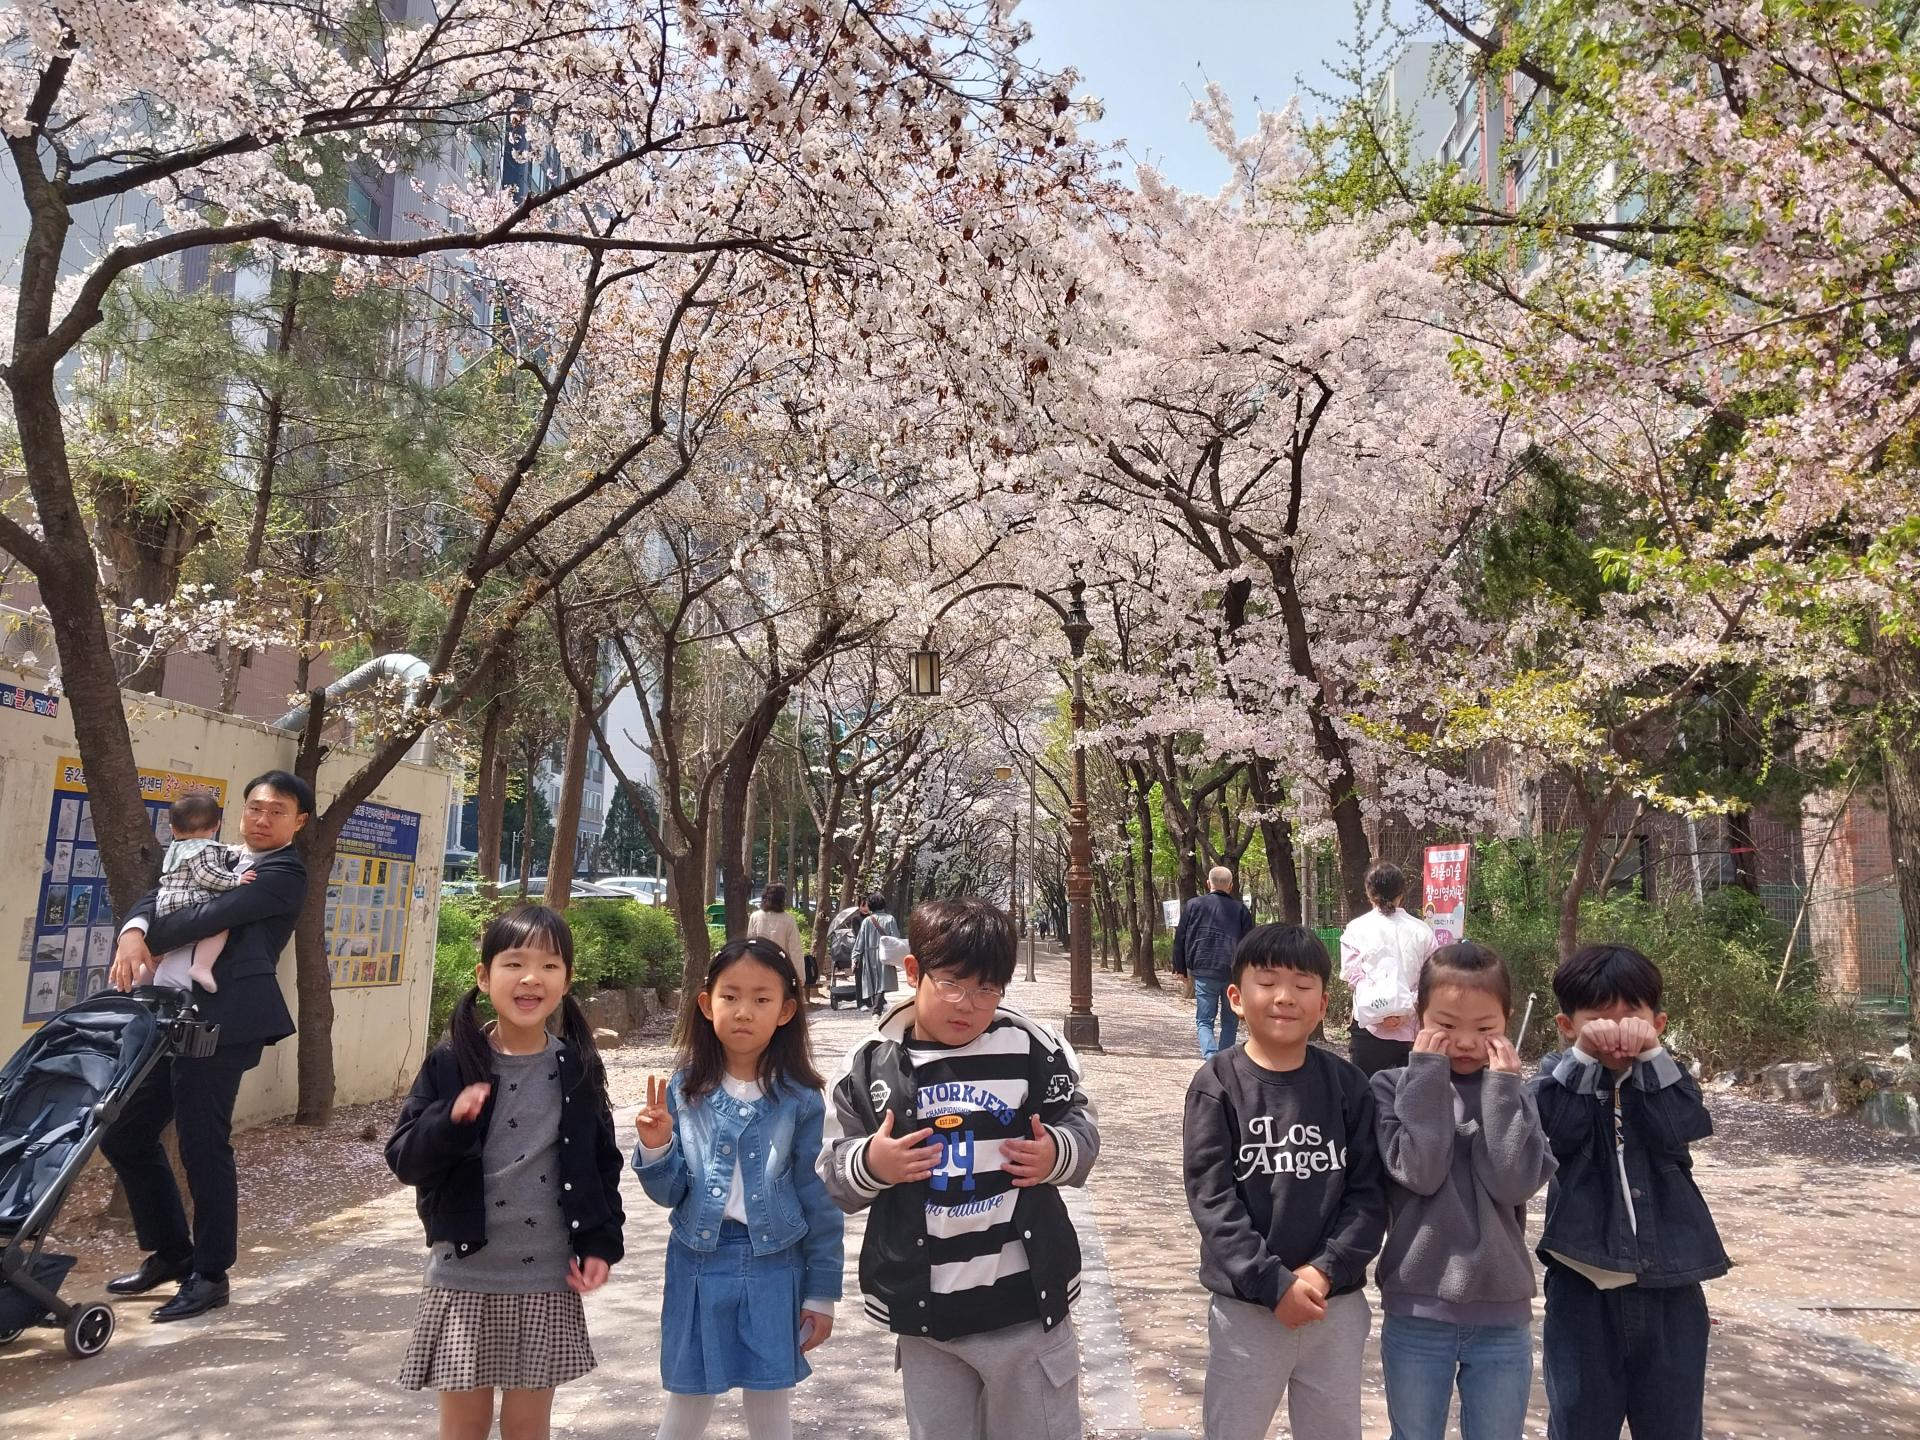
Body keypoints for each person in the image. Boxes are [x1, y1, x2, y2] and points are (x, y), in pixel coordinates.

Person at [817, 897, 1099, 1440]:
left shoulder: (1032, 1050)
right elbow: (830, 1172)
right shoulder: (872, 1064)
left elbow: (1081, 1126)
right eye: (951, 984)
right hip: (931, 1322)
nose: (968, 1004)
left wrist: (1056, 1153)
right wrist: (872, 1163)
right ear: (913, 971)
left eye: (987, 989)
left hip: (1026, 1309)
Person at [387, 904, 624, 1440]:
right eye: (514, 963)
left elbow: (601, 1165)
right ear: (484, 976)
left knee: (527, 1425)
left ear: (566, 981)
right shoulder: (451, 1062)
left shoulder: (578, 1067)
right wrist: (448, 1120)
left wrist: (600, 1244)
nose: (531, 978)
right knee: (464, 1426)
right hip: (464, 1273)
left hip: (546, 1277)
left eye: (549, 965)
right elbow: (404, 1159)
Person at [103, 769, 314, 1322]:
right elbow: (157, 894)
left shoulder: (284, 872)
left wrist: (146, 937)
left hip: (223, 1023)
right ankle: (172, 1253)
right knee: (125, 1133)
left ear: (298, 822)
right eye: (255, 808)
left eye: (277, 812)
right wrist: (131, 932)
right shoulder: (215, 854)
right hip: (168, 1014)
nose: (262, 819)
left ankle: (211, 1273)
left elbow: (209, 915)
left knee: (202, 1144)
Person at [634, 936, 843, 1440]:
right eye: (730, 996)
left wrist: (821, 1294)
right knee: (688, 1395)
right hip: (695, 1262)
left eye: (761, 999)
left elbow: (818, 1199)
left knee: (770, 1399)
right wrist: (657, 1147)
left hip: (776, 1263)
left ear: (786, 1011)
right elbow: (670, 1193)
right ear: (707, 1004)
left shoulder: (801, 1099)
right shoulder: (683, 1090)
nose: (744, 1011)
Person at [1183, 924, 1387, 1440]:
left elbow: (1368, 1195)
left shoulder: (1349, 1086)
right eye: (1268, 981)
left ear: (1323, 1004)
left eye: (1302, 985)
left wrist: (1324, 1272)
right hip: (1247, 1309)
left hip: (1333, 1307)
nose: (1284, 997)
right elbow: (1213, 1200)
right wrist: (1272, 1283)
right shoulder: (1216, 1085)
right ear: (1236, 997)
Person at [1533, 944, 1728, 1440]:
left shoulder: (1669, 1079)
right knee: (1578, 1424)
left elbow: (1681, 1125)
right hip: (1582, 1286)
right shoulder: (1555, 1077)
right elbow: (1554, 1132)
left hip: (1672, 1287)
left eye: (1631, 1016)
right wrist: (1583, 1059)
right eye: (1599, 1017)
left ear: (1658, 1023)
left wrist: (1652, 1058)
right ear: (1567, 1025)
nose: (1617, 1030)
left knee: (1673, 1425)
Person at [1372, 941, 1556, 1440]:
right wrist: (1426, 1074)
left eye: (1485, 1028)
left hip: (1501, 1312)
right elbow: (1421, 1172)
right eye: (1447, 1026)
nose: (1466, 1042)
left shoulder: (1517, 1093)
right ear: (1419, 1016)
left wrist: (1503, 1091)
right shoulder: (1390, 1086)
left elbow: (1511, 1183)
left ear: (1507, 1021)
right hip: (1417, 1306)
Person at [131, 791, 250, 993]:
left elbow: (221, 853)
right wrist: (236, 880)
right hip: (190, 901)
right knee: (219, 926)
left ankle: (134, 985)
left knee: (162, 955)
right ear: (216, 826)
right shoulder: (204, 849)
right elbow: (206, 875)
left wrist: (237, 850)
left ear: (172, 828)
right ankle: (201, 966)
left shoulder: (178, 846)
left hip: (166, 904)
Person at [1339, 861, 1437, 1076]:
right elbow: (1431, 981)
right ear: (1401, 892)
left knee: (1365, 1090)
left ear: (1369, 892)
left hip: (1369, 1028)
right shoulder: (1423, 931)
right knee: (1410, 1090)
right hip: (1412, 1029)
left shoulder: (1356, 929)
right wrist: (1404, 1011)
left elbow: (1354, 977)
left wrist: (1381, 1013)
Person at [1171, 865, 1255, 1060]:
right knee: (1230, 1021)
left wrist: (1180, 968)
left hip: (1203, 969)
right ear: (1231, 886)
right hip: (1233, 973)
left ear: (1208, 883)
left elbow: (1181, 937)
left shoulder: (1193, 905)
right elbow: (1250, 944)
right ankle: (1223, 1060)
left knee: (1204, 1020)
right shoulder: (1241, 910)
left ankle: (1210, 1058)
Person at [746, 884, 808, 999]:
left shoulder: (755, 917)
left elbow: (750, 946)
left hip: (759, 967)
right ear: (782, 899)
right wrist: (800, 977)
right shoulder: (789, 920)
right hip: (781, 970)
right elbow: (795, 950)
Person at [851, 892, 902, 1015]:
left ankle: (877, 1008)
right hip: (885, 954)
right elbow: (895, 938)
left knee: (873, 981)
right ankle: (877, 1009)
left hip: (869, 955)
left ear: (870, 905)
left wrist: (855, 957)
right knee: (882, 982)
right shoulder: (890, 919)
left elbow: (860, 941)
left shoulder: (867, 921)